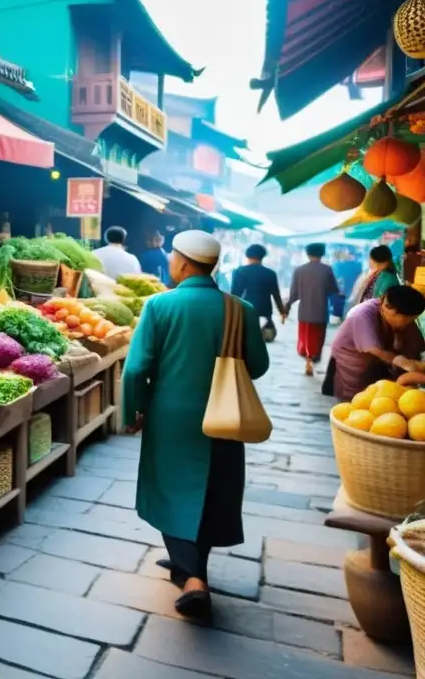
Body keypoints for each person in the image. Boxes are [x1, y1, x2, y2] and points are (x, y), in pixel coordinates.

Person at [122, 230, 269, 621]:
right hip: (224, 414)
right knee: (211, 490)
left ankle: (194, 579)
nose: (170, 262)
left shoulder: (160, 306)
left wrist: (133, 410)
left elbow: (137, 368)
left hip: (171, 416)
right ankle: (185, 565)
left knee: (172, 488)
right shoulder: (240, 310)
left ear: (184, 263)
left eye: (172, 257)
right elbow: (259, 366)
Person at [324, 285, 425, 400]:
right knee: (357, 402)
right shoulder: (361, 315)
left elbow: (415, 341)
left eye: (411, 320)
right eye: (405, 320)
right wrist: (402, 362)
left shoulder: (397, 313)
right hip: (351, 364)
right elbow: (376, 350)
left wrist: (419, 360)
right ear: (388, 308)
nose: (408, 324)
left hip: (375, 368)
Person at [286, 243, 339, 376]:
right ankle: (312, 359)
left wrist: (286, 307)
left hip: (304, 312)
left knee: (305, 338)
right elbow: (333, 290)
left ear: (307, 254)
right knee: (317, 338)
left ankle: (307, 360)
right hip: (320, 312)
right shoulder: (327, 270)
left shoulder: (299, 270)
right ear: (322, 254)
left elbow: (294, 294)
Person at [230, 244, 285, 341]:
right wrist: (282, 312)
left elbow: (235, 294)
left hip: (246, 312)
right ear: (263, 257)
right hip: (265, 312)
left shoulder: (240, 271)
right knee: (268, 336)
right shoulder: (270, 273)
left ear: (247, 255)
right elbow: (276, 295)